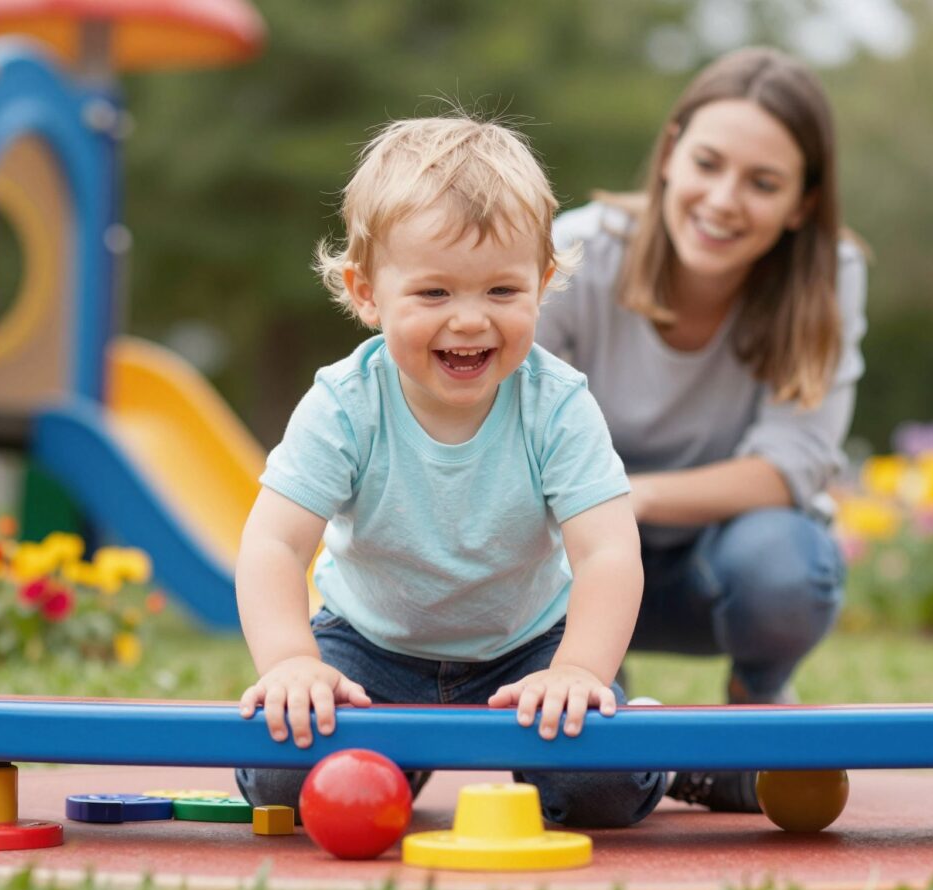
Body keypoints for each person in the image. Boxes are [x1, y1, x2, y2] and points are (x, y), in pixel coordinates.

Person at [234, 115, 666, 828]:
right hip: (372, 645)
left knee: (601, 790)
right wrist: (289, 661)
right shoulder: (344, 403)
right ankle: (388, 758)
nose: (470, 321)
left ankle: (642, 730)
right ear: (367, 292)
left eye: (501, 292)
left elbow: (609, 551)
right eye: (434, 294)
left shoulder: (557, 404)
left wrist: (579, 670)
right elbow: (274, 543)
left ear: (544, 283)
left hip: (530, 645)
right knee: (285, 776)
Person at [535, 47, 868, 813]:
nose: (723, 201)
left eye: (763, 183)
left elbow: (793, 464)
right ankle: (603, 686)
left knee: (786, 563)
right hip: (570, 567)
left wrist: (629, 496)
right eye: (708, 164)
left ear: (803, 204)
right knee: (591, 781)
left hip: (716, 567)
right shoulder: (573, 255)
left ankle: (758, 694)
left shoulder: (830, 276)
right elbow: (508, 437)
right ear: (670, 152)